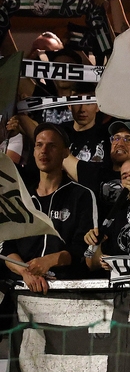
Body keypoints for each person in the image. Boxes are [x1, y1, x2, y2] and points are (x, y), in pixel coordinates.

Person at [1, 124, 97, 292]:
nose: (44, 150)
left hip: (68, 288)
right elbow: (7, 246)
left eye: (51, 145)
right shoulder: (21, 196)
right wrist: (26, 272)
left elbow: (83, 250)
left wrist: (49, 261)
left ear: (65, 152)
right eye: (39, 145)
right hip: (22, 288)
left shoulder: (82, 195)